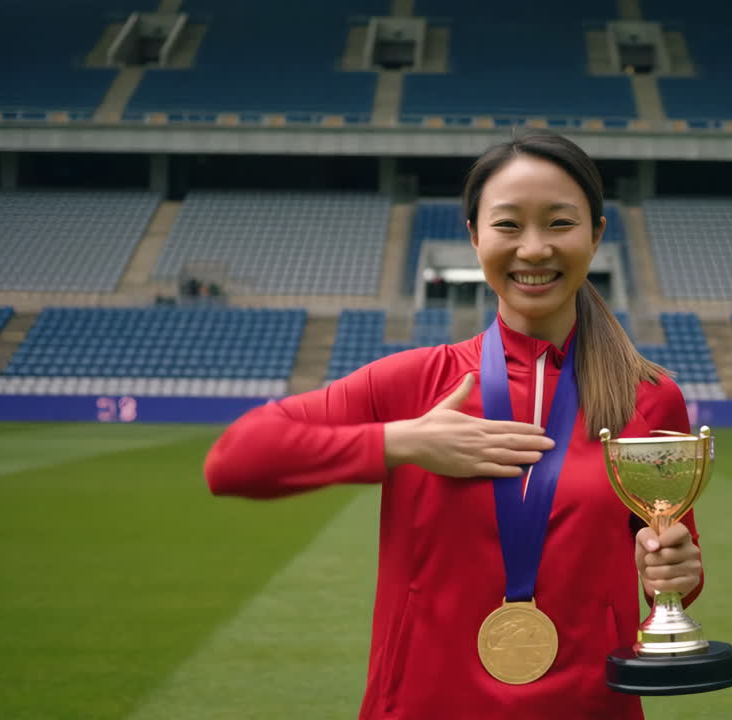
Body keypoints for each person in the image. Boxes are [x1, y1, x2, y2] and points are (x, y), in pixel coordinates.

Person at [204, 129, 704, 719]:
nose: (535, 248)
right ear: (474, 237)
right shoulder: (414, 383)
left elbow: (670, 568)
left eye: (560, 223)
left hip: (588, 705)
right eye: (509, 224)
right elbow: (234, 460)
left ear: (596, 234)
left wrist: (677, 571)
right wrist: (404, 441)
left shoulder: (648, 397)